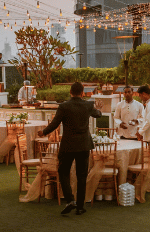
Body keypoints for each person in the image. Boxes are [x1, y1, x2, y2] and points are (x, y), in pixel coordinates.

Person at [37, 82, 104, 215]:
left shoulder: (64, 106)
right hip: (84, 144)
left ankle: (69, 201)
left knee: (63, 172)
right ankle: (80, 206)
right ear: (82, 92)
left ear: (70, 92)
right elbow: (98, 115)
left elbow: (55, 123)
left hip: (68, 145)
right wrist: (99, 108)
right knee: (82, 176)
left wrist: (44, 132)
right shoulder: (88, 105)